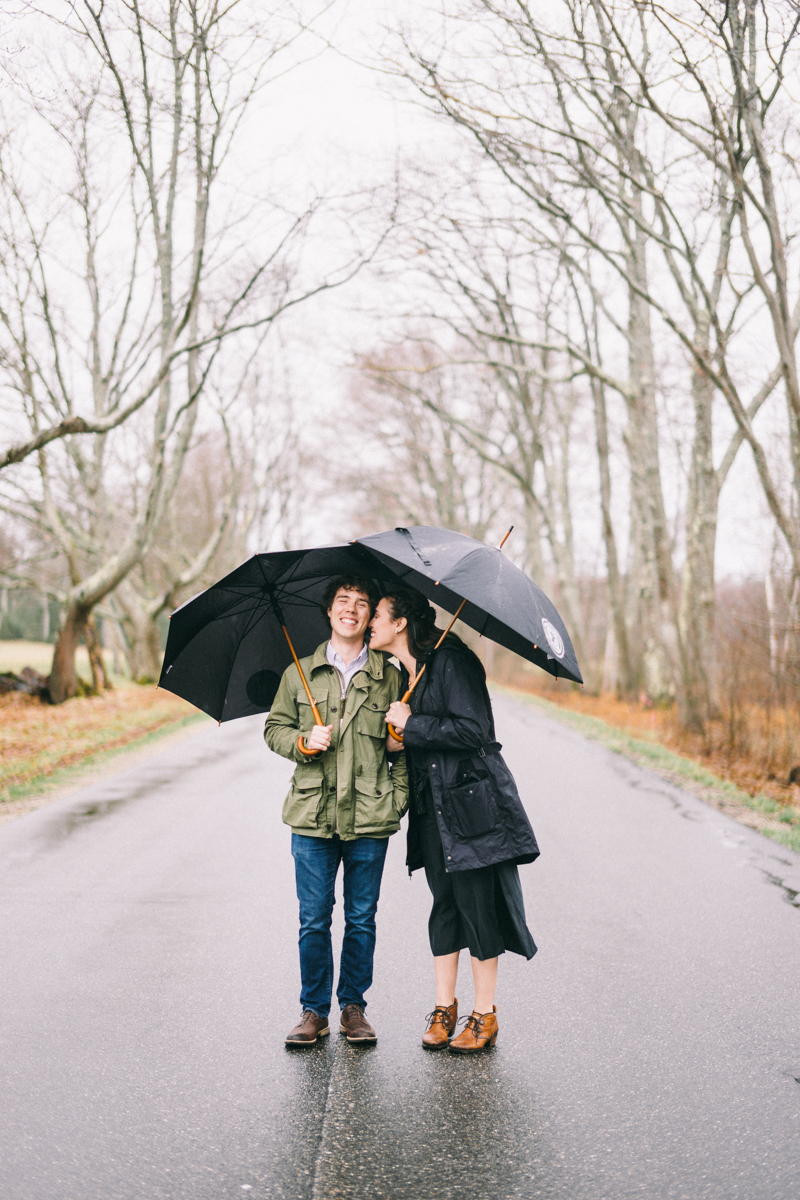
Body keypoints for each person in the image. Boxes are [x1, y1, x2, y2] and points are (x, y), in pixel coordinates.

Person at [369, 585, 538, 1054]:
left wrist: (412, 724)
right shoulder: (406, 670)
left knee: (477, 905)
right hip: (431, 806)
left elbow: (475, 731)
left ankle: (484, 1015)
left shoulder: (451, 661)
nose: (370, 623)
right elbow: (419, 736)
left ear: (400, 622)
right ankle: (444, 1008)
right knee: (444, 904)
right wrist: (399, 739)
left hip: (470, 804)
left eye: (377, 615)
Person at [265, 576, 408, 1048]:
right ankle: (312, 1010)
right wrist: (304, 742)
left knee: (362, 918)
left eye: (362, 604)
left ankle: (353, 1008)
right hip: (312, 815)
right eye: (343, 602)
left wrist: (396, 796)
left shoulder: (391, 676)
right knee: (314, 918)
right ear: (329, 613)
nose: (352, 609)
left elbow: (401, 749)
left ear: (369, 617)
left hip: (369, 815)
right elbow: (274, 728)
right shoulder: (299, 673)